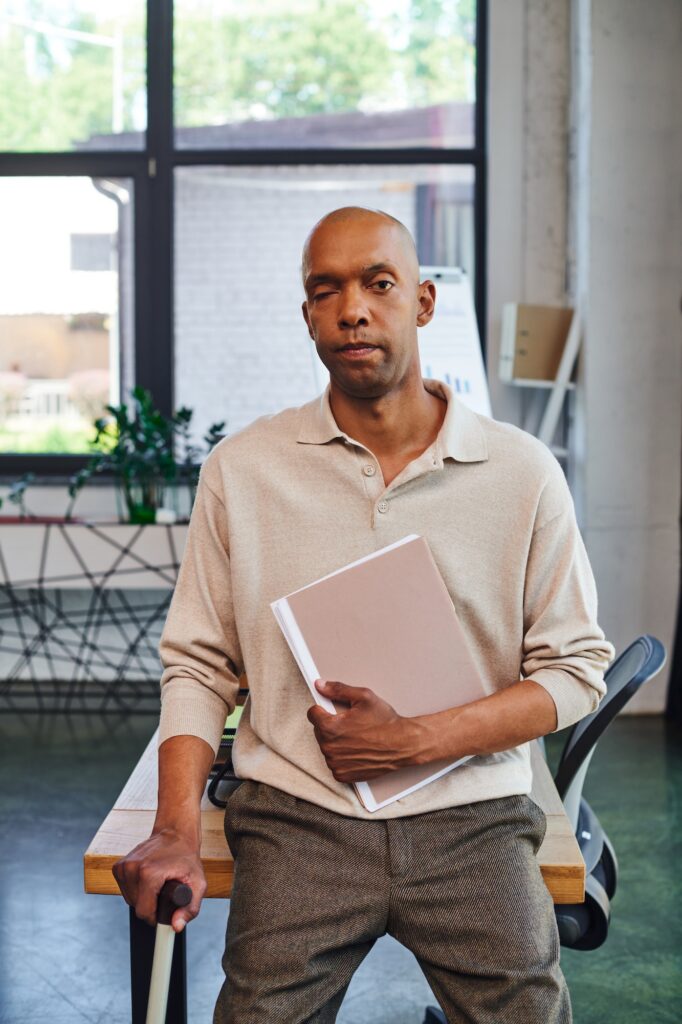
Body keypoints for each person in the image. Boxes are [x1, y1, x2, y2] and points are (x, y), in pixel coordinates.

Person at [113, 207, 615, 1023]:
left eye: (378, 284)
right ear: (307, 314)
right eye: (327, 290)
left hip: (474, 821)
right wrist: (173, 828)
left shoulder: (522, 473)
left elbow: (574, 670)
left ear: (421, 302)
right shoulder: (243, 473)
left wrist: (416, 739)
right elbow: (199, 667)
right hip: (297, 822)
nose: (353, 308)